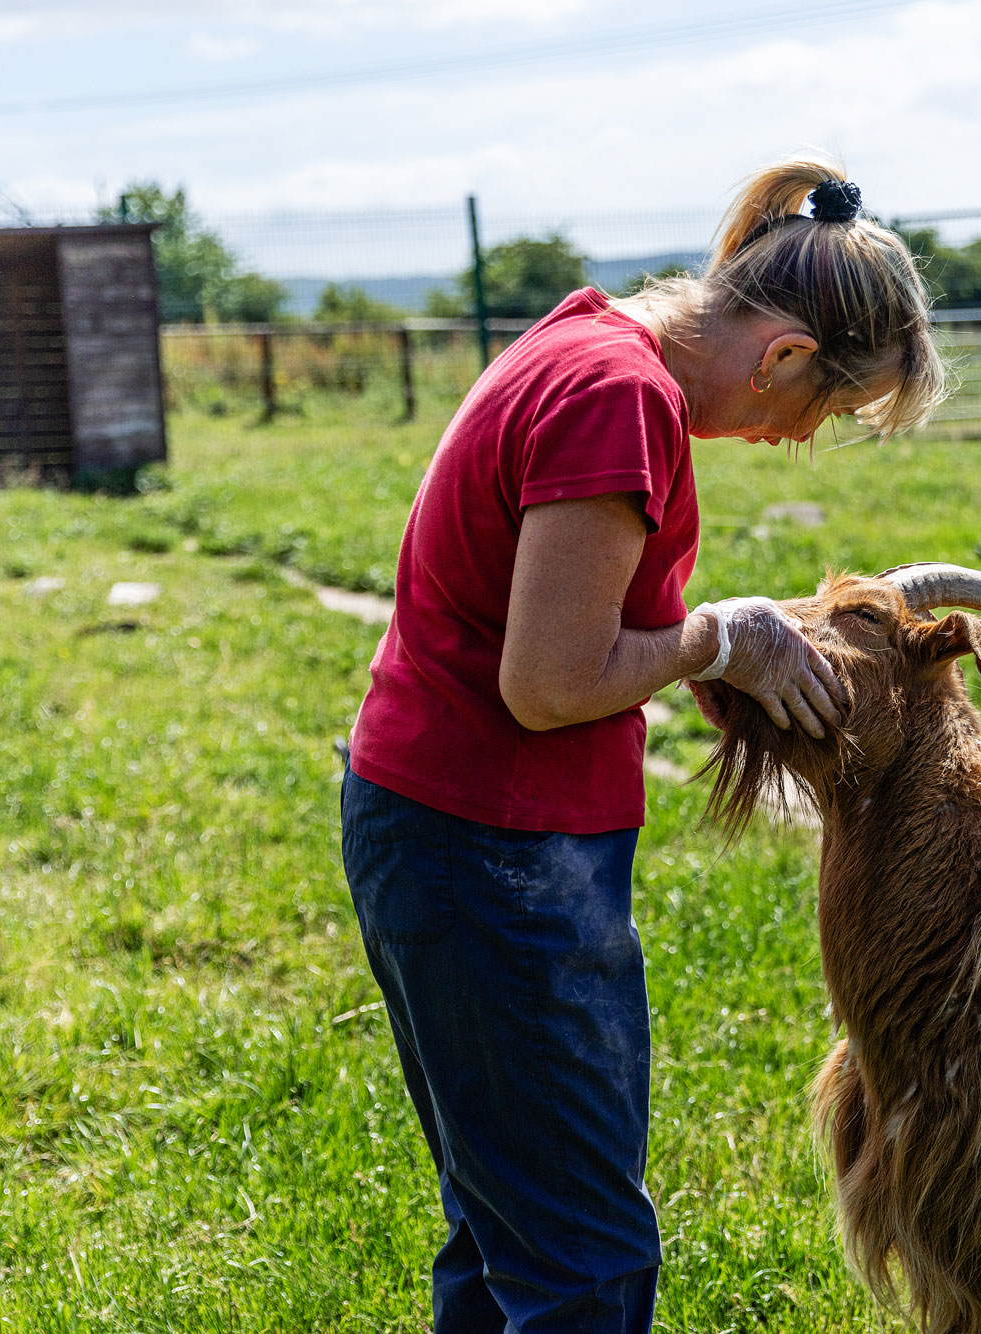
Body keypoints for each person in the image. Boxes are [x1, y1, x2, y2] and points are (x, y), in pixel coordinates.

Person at [339, 155, 946, 1334]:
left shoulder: (586, 336)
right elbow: (549, 682)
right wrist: (715, 639)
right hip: (493, 849)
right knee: (583, 1255)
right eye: (822, 413)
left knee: (509, 1224)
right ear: (782, 355)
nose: (794, 438)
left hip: (448, 824)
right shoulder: (618, 398)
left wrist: (706, 643)